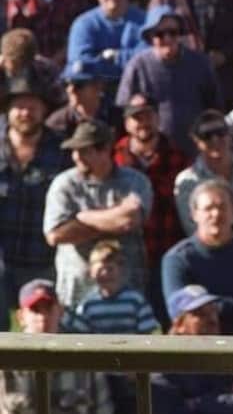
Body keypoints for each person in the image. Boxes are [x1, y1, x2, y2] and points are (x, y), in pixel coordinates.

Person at [43, 119, 152, 307]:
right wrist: (114, 217)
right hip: (76, 293)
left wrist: (83, 218)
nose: (76, 157)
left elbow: (130, 221)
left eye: (84, 151)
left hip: (127, 291)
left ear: (105, 150)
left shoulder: (135, 181)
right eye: (74, 151)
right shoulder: (65, 184)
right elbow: (55, 235)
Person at [161, 181, 233, 334]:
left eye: (222, 207)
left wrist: (208, 305)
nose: (216, 214)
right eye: (208, 208)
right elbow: (179, 314)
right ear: (194, 214)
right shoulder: (178, 259)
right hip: (197, 349)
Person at [112, 93, 189, 324]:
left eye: (148, 116)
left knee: (169, 322)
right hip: (125, 257)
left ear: (158, 118)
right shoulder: (113, 158)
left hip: (165, 255)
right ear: (126, 123)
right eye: (136, 118)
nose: (142, 123)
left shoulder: (177, 157)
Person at [0, 77, 70, 331]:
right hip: (1, 261)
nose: (26, 113)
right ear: (8, 110)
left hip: (42, 260)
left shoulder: (61, 149)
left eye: (33, 106)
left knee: (43, 331)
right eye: (19, 106)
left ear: (44, 110)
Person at [116, 6, 221, 157]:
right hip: (152, 153)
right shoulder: (138, 65)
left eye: (173, 33)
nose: (167, 39)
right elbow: (123, 110)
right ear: (151, 37)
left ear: (180, 35)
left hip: (196, 150)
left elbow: (215, 108)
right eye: (160, 34)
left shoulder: (200, 63)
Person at [0, 279, 113, 414]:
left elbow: (104, 409)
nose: (43, 317)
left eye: (48, 307)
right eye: (35, 310)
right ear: (21, 317)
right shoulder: (5, 360)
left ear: (60, 311)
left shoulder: (85, 357)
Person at [151, 284, 233, 413]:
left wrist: (196, 404)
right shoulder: (163, 366)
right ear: (179, 325)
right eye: (201, 314)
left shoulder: (223, 357)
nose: (212, 319)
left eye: (214, 311)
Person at [66, 0, 147, 84]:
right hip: (98, 92)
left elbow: (149, 58)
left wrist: (113, 57)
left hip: (138, 89)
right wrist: (127, 59)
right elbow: (81, 65)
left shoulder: (144, 21)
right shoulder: (83, 25)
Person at [64, 240, 158, 334]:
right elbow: (80, 333)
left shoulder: (135, 301)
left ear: (120, 269)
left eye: (110, 269)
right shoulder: (88, 304)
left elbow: (147, 331)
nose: (105, 274)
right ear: (91, 272)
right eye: (100, 270)